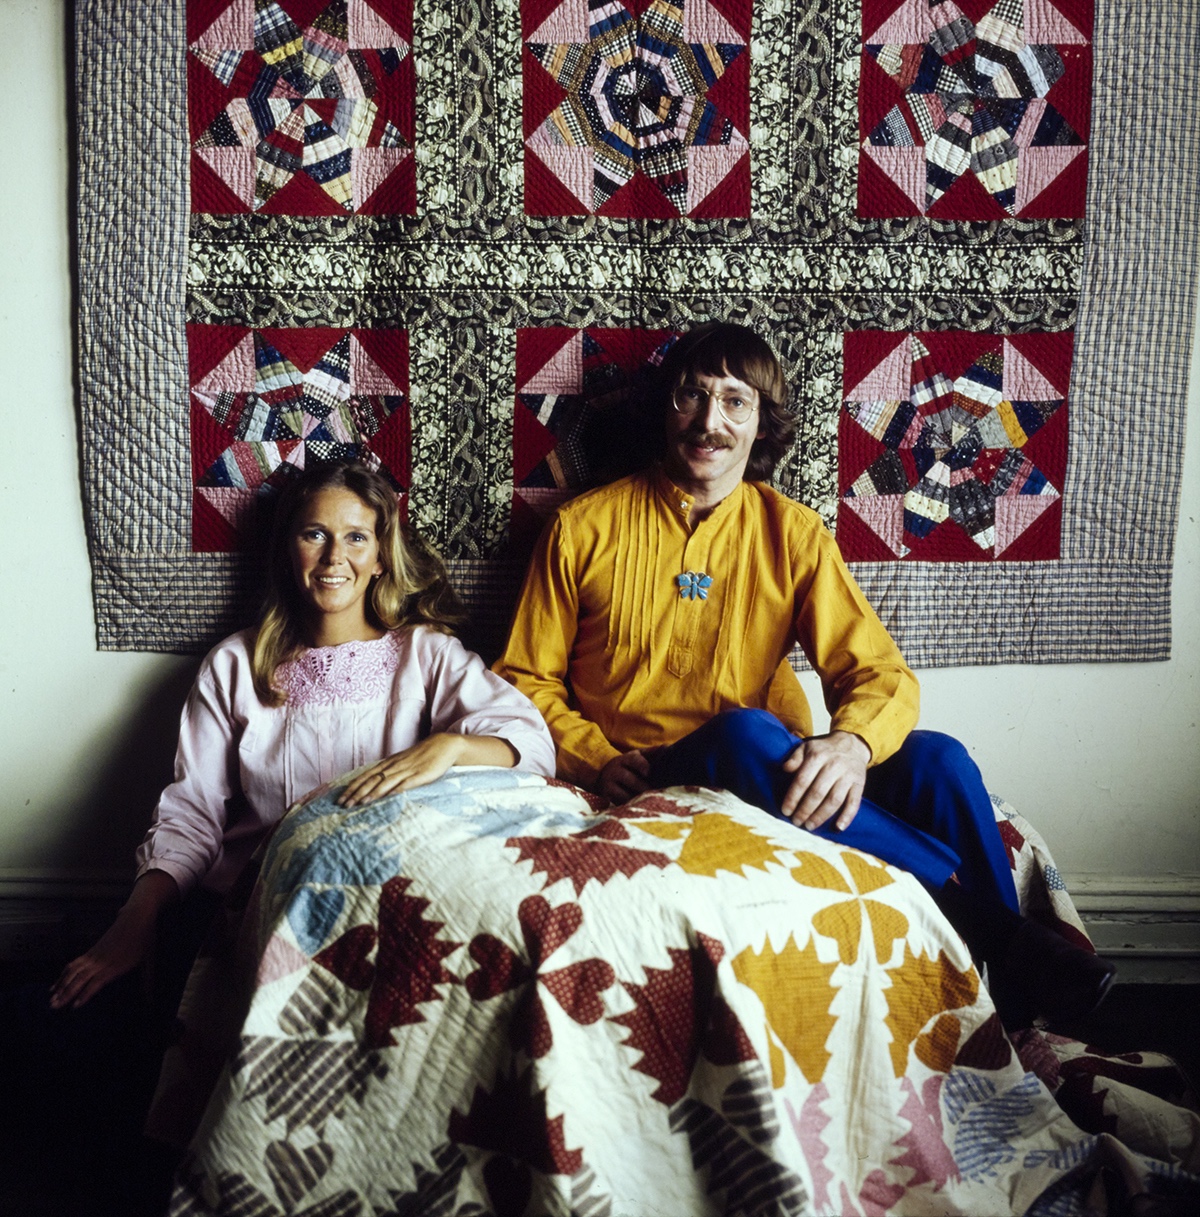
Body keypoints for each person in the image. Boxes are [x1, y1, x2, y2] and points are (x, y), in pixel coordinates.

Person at [495, 321, 1114, 1028]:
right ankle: (994, 929)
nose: (709, 421)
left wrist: (850, 744)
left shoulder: (792, 533)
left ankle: (1012, 999)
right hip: (656, 768)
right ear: (663, 409)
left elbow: (881, 674)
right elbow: (522, 677)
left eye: (735, 401)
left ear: (762, 424)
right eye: (692, 396)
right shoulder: (582, 527)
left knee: (938, 759)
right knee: (746, 732)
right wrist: (599, 758)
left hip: (771, 770)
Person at [51, 461, 555, 1012]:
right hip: (267, 905)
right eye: (315, 534)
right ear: (289, 549)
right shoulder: (235, 666)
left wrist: (453, 746)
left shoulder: (425, 655)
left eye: (357, 537)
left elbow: (529, 741)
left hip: (388, 903)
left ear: (382, 556)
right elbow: (191, 814)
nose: (335, 557)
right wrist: (132, 922)